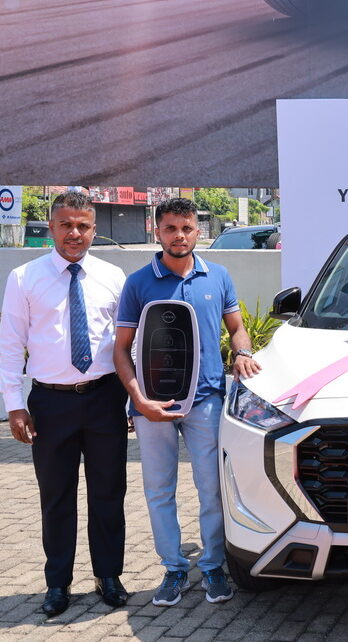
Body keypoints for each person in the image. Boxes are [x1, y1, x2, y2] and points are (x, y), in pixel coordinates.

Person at [113, 198, 261, 606]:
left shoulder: (218, 276)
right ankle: (174, 568)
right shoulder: (138, 283)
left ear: (198, 232)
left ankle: (212, 565)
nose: (179, 236)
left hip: (206, 399)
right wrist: (138, 400)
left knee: (211, 488)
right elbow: (121, 349)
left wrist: (243, 352)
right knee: (159, 489)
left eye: (186, 228)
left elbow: (237, 328)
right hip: (152, 405)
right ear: (157, 232)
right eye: (171, 228)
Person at [0, 191, 130, 616]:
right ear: (51, 227)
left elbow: (126, 345)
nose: (75, 233)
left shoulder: (113, 276)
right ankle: (58, 583)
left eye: (83, 226)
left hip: (105, 397)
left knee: (109, 492)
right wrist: (14, 405)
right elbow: (11, 345)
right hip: (50, 404)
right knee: (56, 496)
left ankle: (109, 575)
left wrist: (132, 398)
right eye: (66, 225)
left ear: (94, 229)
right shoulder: (24, 278)